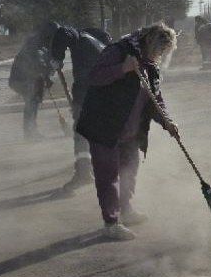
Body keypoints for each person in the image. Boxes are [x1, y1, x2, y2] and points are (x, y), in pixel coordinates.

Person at [75, 23, 179, 241]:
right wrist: (122, 69)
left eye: (164, 52)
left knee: (129, 170)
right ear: (148, 40)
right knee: (108, 176)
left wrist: (167, 122)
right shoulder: (118, 51)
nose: (160, 55)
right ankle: (111, 223)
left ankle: (127, 210)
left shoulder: (151, 64)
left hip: (131, 130)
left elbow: (155, 97)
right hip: (105, 126)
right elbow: (94, 77)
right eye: (159, 50)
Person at [48, 24, 111, 193]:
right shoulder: (104, 43)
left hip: (87, 91)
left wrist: (57, 57)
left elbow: (63, 32)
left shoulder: (79, 35)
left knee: (81, 132)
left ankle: (84, 173)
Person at [8, 21, 57, 140]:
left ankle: (31, 131)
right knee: (32, 101)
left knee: (33, 101)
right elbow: (37, 65)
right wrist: (47, 72)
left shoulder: (40, 44)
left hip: (26, 79)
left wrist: (48, 72)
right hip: (21, 80)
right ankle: (30, 132)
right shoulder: (35, 44)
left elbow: (43, 64)